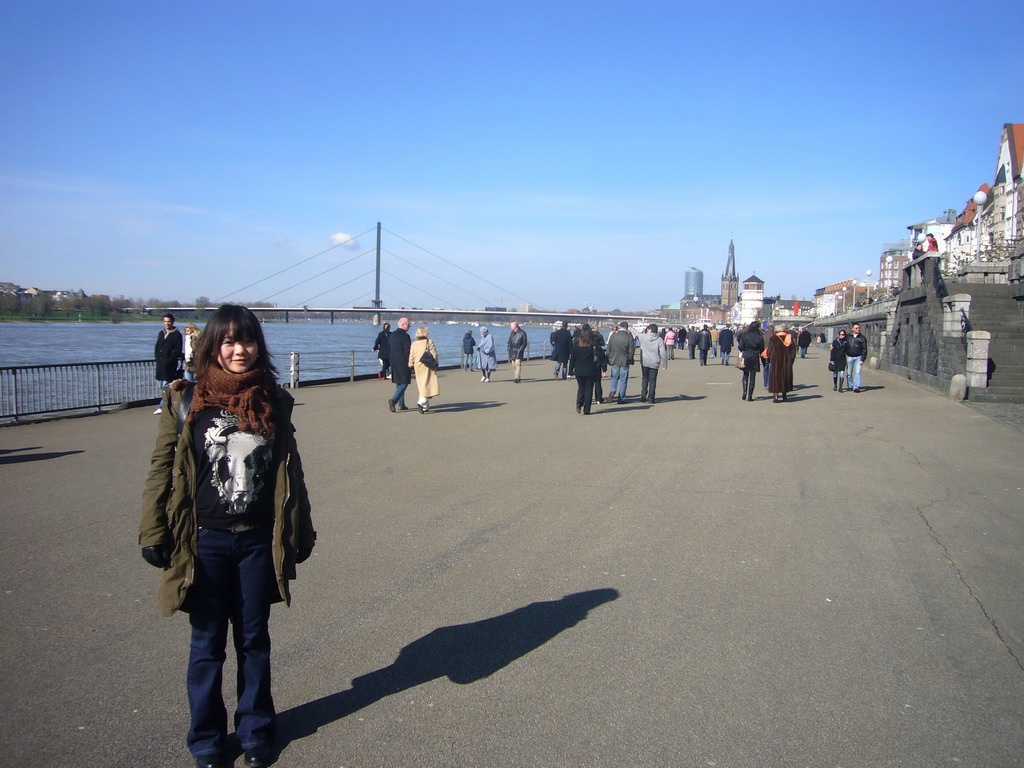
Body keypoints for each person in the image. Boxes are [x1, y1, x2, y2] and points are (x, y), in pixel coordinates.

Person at [139, 304, 315, 768]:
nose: (240, 350)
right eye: (230, 341)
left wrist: (303, 528)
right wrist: (153, 530)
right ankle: (207, 739)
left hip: (257, 540)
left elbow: (290, 471)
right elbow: (161, 469)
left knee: (254, 639)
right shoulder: (186, 401)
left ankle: (256, 730)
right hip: (203, 541)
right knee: (207, 644)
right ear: (212, 345)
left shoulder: (273, 400)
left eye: (248, 340)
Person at [154, 313, 184, 414]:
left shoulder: (177, 335)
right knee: (160, 385)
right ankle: (171, 402)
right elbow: (157, 347)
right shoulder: (161, 333)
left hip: (170, 365)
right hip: (160, 364)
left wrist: (169, 360)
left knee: (166, 385)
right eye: (165, 321)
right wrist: (157, 358)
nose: (167, 323)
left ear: (172, 322)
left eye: (169, 321)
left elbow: (177, 350)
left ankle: (162, 406)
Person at [568, 324, 599, 414]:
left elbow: (572, 359)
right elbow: (598, 357)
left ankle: (579, 403)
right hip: (590, 369)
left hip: (579, 370)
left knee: (581, 388)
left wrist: (570, 372)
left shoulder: (576, 345)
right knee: (589, 389)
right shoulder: (592, 345)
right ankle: (587, 409)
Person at [409, 327, 439, 413]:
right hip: (428, 365)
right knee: (428, 385)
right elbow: (434, 354)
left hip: (418, 366)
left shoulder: (414, 344)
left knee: (421, 385)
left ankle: (425, 407)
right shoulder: (429, 342)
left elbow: (411, 356)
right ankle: (421, 402)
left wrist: (411, 365)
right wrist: (436, 364)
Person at [605, 321, 635, 404]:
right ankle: (621, 398)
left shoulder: (613, 335)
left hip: (614, 359)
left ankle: (612, 391)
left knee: (614, 378)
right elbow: (631, 350)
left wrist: (608, 358)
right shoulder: (629, 336)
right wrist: (631, 359)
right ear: (627, 327)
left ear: (620, 327)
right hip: (624, 360)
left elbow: (608, 349)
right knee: (623, 380)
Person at [387, 317, 412, 412]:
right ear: (402, 324)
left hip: (393, 362)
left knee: (399, 383)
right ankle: (394, 400)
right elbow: (407, 351)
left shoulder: (392, 335)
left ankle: (402, 405)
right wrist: (411, 363)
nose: (409, 326)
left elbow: (388, 349)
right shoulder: (405, 336)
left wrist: (390, 362)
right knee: (405, 382)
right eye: (408, 324)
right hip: (403, 362)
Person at [638, 323, 668, 404]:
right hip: (655, 362)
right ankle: (651, 398)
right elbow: (663, 353)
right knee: (652, 381)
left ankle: (643, 395)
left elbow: (635, 333)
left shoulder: (643, 337)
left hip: (645, 361)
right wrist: (664, 364)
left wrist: (629, 329)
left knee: (645, 378)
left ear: (650, 329)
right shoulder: (659, 340)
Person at [766, 326, 796, 403]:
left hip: (775, 359)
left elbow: (769, 350)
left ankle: (775, 396)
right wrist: (791, 359)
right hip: (786, 359)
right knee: (785, 376)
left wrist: (769, 358)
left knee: (775, 376)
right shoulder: (789, 337)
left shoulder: (773, 338)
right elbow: (793, 350)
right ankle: (784, 394)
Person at [736, 321, 764, 401]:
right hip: (754, 355)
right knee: (753, 376)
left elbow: (740, 346)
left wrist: (744, 350)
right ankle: (750, 395)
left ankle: (744, 392)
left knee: (745, 374)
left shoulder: (745, 336)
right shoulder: (759, 337)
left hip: (746, 354)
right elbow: (761, 349)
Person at [845, 322, 868, 392]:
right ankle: (850, 385)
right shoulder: (848, 336)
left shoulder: (862, 338)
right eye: (856, 328)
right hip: (849, 356)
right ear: (852, 329)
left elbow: (864, 349)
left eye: (859, 328)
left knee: (857, 372)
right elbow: (842, 342)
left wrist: (862, 359)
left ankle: (856, 387)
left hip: (858, 357)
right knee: (849, 373)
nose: (858, 329)